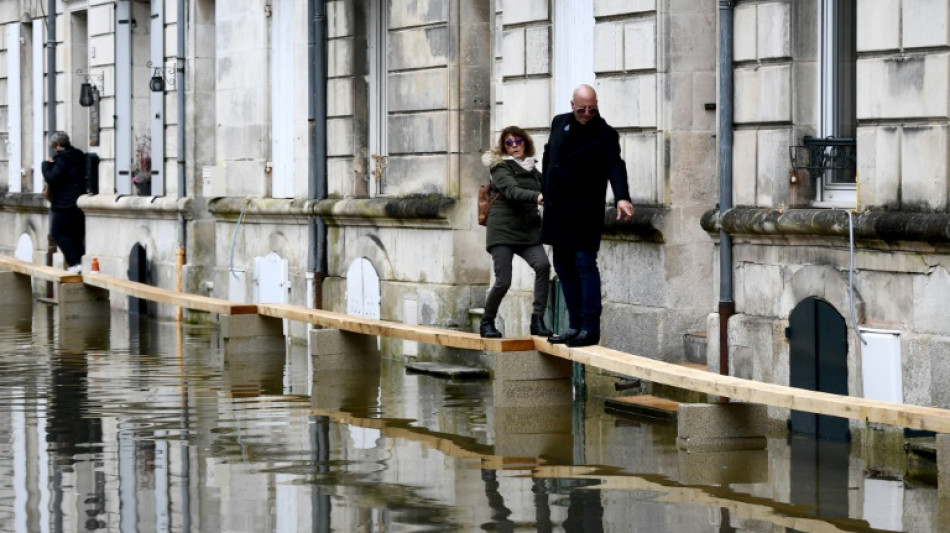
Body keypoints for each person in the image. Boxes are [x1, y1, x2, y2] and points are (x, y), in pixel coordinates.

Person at [540, 84, 634, 347]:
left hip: (584, 210)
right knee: (563, 266)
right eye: (581, 108)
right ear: (572, 105)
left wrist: (622, 197)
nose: (586, 113)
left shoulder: (604, 134)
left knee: (584, 264)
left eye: (591, 109)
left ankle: (590, 328)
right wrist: (543, 190)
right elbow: (549, 156)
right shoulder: (559, 123)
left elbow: (616, 166)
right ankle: (574, 324)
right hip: (558, 208)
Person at [479, 126, 554, 339]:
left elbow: (549, 186)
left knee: (542, 265)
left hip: (528, 230)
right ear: (504, 148)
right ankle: (487, 322)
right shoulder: (500, 168)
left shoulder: (533, 170)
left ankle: (537, 321)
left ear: (525, 143)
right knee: (504, 280)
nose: (514, 147)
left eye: (517, 141)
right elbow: (511, 191)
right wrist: (538, 197)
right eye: (509, 143)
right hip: (502, 231)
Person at [42, 131, 87, 273]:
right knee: (75, 236)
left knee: (57, 233)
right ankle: (80, 263)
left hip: (64, 203)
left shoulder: (62, 159)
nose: (54, 150)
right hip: (78, 202)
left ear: (59, 146)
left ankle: (74, 263)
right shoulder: (78, 155)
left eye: (54, 147)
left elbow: (52, 178)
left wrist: (45, 165)